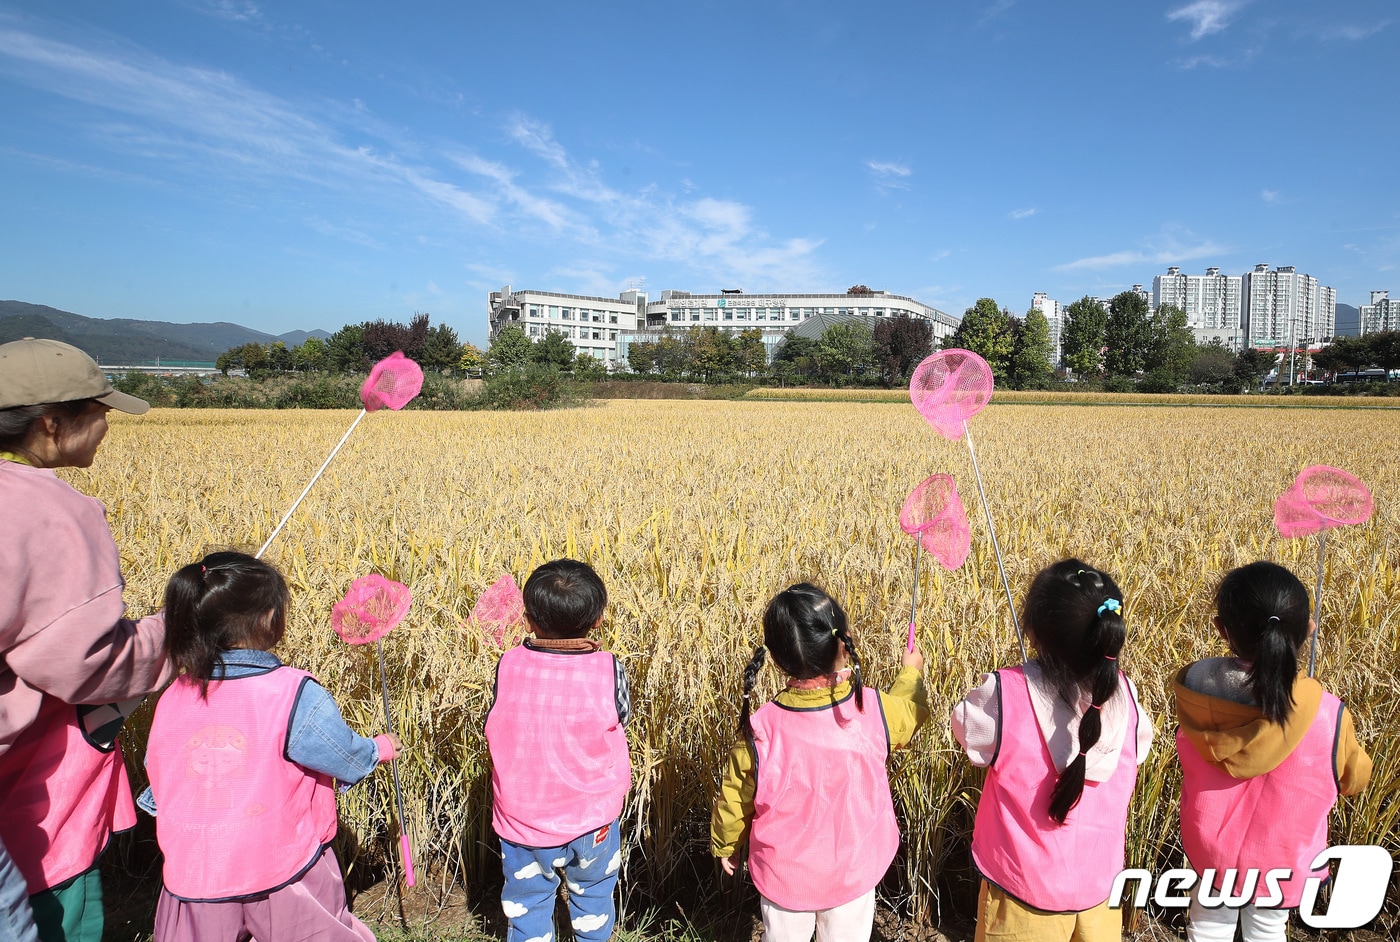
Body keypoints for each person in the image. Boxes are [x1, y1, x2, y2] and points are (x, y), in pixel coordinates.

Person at [0, 337, 170, 942]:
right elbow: (88, 662)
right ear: (51, 423)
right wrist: (178, 632)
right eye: (100, 411)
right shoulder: (47, 510)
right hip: (29, 804)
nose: (106, 425)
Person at [140, 551, 400, 942]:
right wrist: (376, 749)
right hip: (283, 871)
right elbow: (340, 754)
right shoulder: (292, 692)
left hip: (196, 878)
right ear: (267, 620)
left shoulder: (175, 694)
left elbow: (159, 771)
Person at [712, 583, 928, 942]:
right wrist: (911, 673)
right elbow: (910, 713)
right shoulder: (871, 709)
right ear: (844, 644)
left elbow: (735, 794)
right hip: (852, 870)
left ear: (778, 659)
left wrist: (726, 842)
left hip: (785, 877)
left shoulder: (761, 728)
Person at [952, 559, 1153, 942]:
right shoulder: (1127, 696)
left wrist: (1016, 680)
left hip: (1021, 898)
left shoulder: (1004, 695)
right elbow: (1137, 749)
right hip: (1100, 897)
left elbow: (966, 729)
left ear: (1036, 632)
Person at [1175, 561, 1372, 942]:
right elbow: (1354, 779)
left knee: (1208, 928)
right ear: (1308, 631)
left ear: (1222, 630)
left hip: (1210, 853)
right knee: (1267, 931)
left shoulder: (1195, 694)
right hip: (1282, 861)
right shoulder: (1328, 714)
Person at [484, 559, 632, 942]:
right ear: (599, 620)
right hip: (593, 820)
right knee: (594, 898)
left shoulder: (507, 665)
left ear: (528, 620)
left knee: (529, 905)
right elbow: (622, 715)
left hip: (523, 823)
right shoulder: (609, 669)